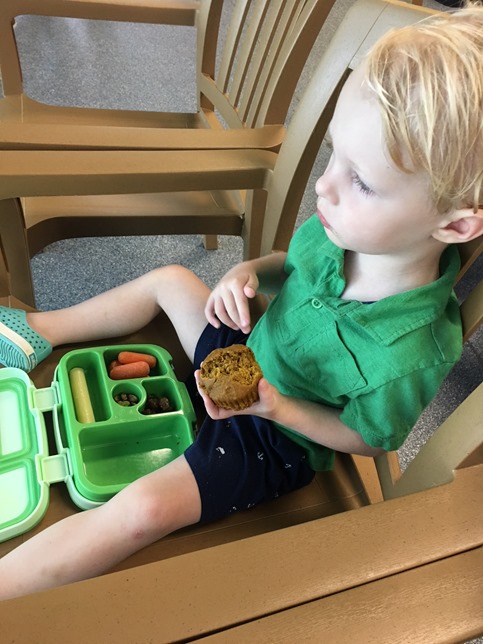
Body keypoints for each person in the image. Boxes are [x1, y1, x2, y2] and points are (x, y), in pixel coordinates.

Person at [0, 6, 482, 600]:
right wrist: (243, 274)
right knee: (174, 279)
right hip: (248, 346)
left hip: (275, 439)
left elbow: (371, 439)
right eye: (335, 156)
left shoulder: (415, 351)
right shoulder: (344, 228)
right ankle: (32, 328)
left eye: (361, 181)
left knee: (140, 514)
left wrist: (277, 409)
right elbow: (288, 264)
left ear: (456, 226)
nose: (323, 187)